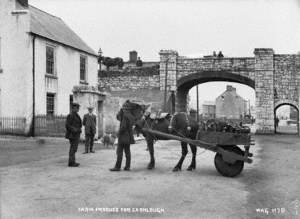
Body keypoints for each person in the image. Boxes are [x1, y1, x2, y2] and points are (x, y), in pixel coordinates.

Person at [110, 101, 135, 171]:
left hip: (123, 137)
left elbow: (123, 127)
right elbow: (119, 117)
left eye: (123, 108)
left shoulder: (125, 116)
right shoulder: (131, 116)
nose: (123, 109)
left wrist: (117, 134)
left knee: (119, 152)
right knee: (127, 152)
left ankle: (117, 167)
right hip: (129, 137)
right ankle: (127, 166)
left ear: (125, 109)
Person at [65, 103, 82, 167]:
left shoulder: (76, 115)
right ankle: (71, 162)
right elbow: (67, 125)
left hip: (76, 134)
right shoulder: (71, 115)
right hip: (72, 134)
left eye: (78, 108)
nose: (78, 109)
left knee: (74, 148)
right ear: (73, 108)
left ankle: (73, 161)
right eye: (77, 108)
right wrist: (74, 129)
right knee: (73, 148)